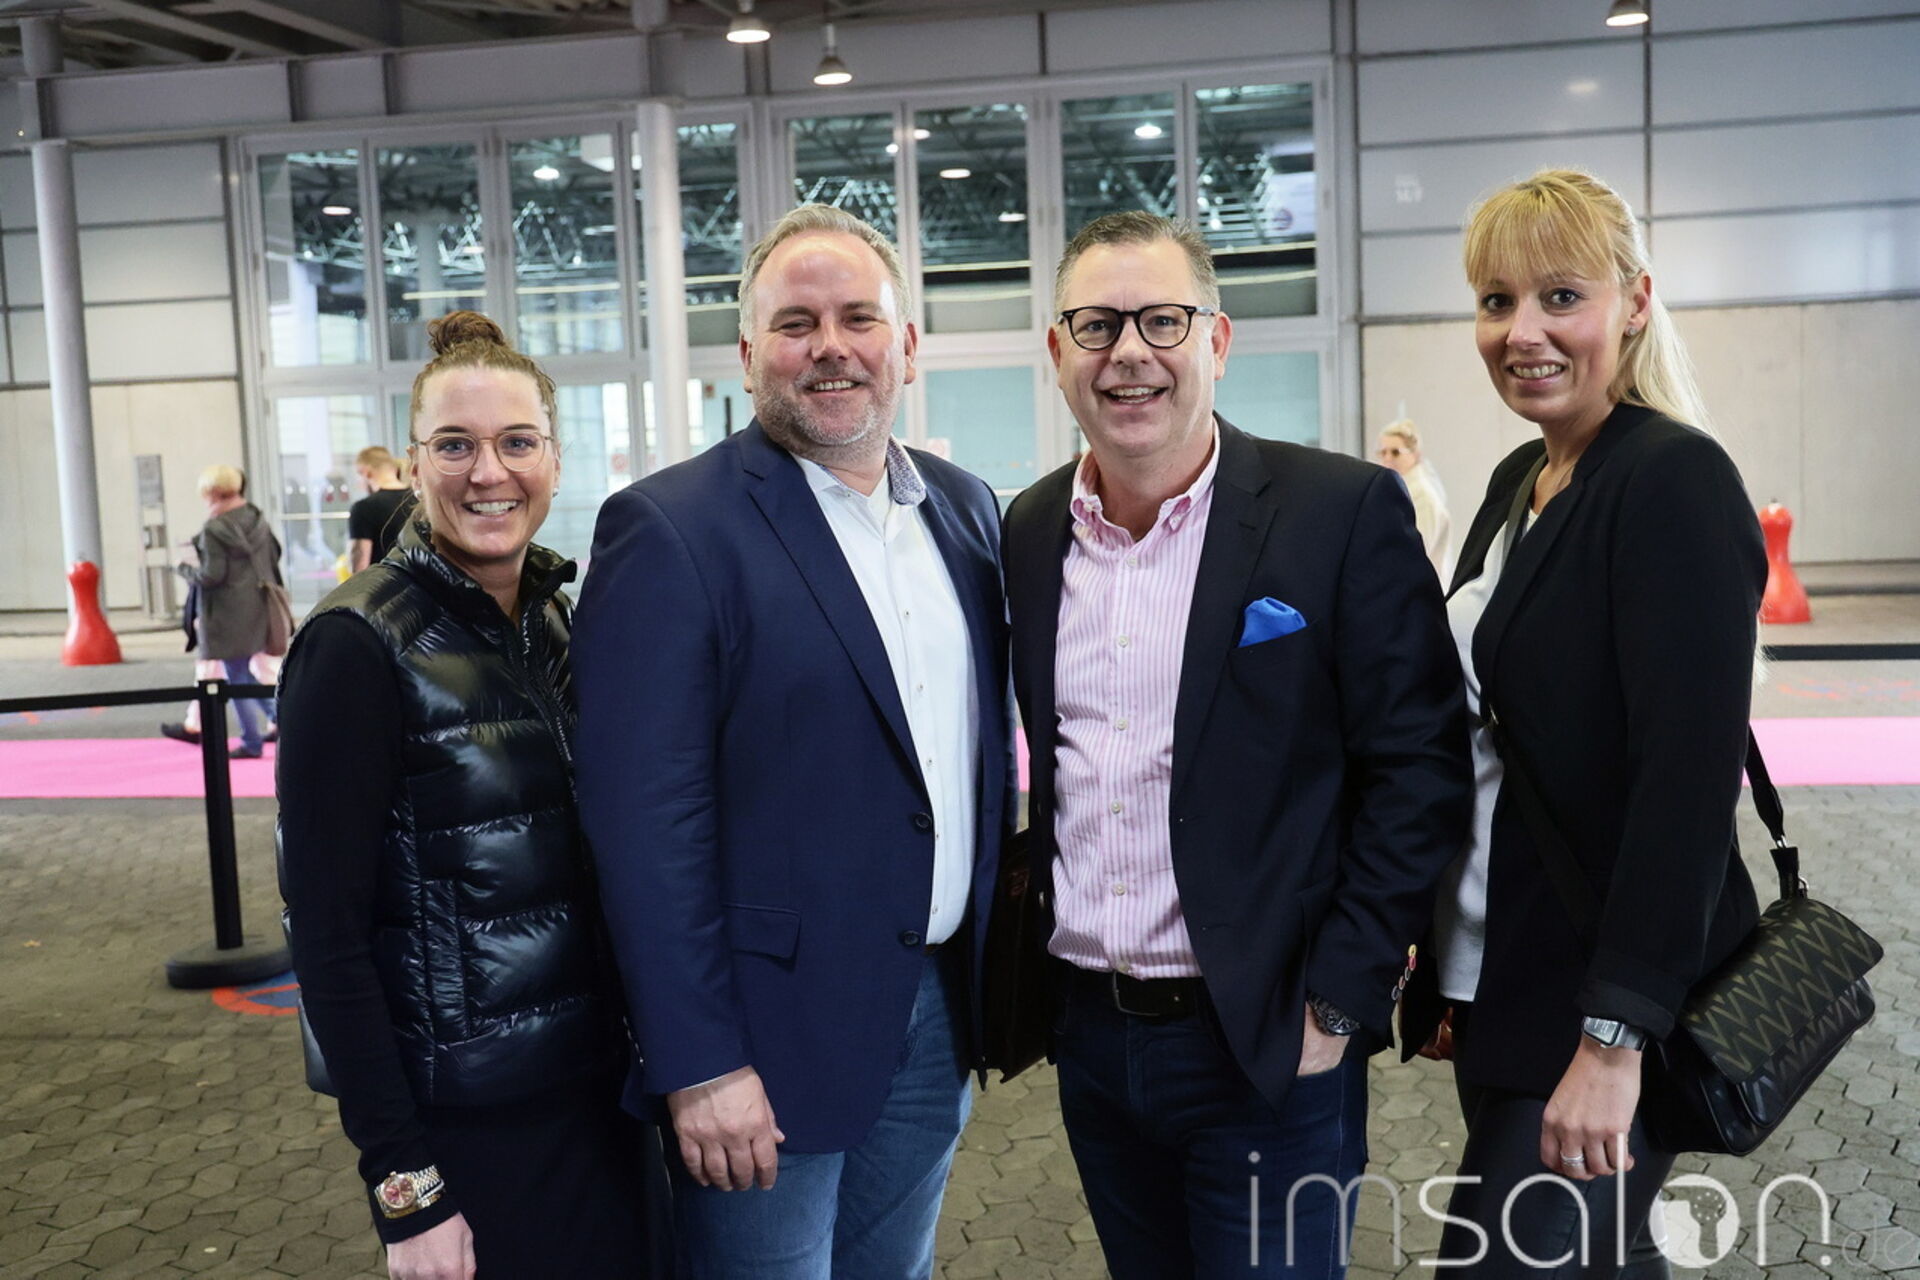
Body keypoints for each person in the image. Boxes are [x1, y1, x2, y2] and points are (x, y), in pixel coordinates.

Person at [1002, 211, 1472, 1278]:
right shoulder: (1028, 531)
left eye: (1162, 321)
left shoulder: (1337, 512)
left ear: (1216, 340)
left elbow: (1419, 767)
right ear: (1059, 352)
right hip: (1093, 1038)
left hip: (1267, 1038)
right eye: (1096, 324)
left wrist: (1341, 997)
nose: (1129, 352)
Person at [572, 204, 1011, 1280]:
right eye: (796, 323)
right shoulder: (671, 529)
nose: (831, 347)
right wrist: (698, 1061)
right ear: (747, 352)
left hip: (936, 1012)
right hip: (761, 1044)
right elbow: (642, 827)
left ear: (907, 344)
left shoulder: (966, 512)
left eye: (860, 318)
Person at [1400, 169, 1766, 1278]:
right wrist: (1445, 956)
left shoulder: (1672, 479)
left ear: (1635, 301)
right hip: (1504, 983)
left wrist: (1614, 1042)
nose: (1524, 332)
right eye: (1497, 301)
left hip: (1601, 1006)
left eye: (1562, 296)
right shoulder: (1522, 477)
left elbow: (1686, 788)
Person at [277, 310, 666, 1280]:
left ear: (556, 460)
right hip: (472, 1124)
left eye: (516, 442)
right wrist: (405, 1184)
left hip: (598, 1090)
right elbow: (326, 936)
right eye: (455, 445)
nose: (489, 472)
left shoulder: (553, 617)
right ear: (414, 464)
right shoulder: (357, 644)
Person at [171, 464, 279, 759]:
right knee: (244, 674)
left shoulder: (214, 528)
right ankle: (281, 721)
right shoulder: (257, 519)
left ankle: (253, 741)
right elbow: (274, 556)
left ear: (212, 492)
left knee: (237, 679)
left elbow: (211, 575)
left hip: (226, 614)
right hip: (257, 606)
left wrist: (182, 567)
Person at [1375, 418, 1452, 578]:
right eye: (1383, 452)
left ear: (1415, 455)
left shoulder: (1422, 495)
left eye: (1395, 452)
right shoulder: (1395, 490)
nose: (1387, 458)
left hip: (1419, 586)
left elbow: (1417, 552)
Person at [349, 445, 416, 572]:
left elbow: (360, 563)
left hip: (383, 582)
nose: (359, 483)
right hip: (420, 582)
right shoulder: (419, 501)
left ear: (366, 472)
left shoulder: (363, 508)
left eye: (358, 475)